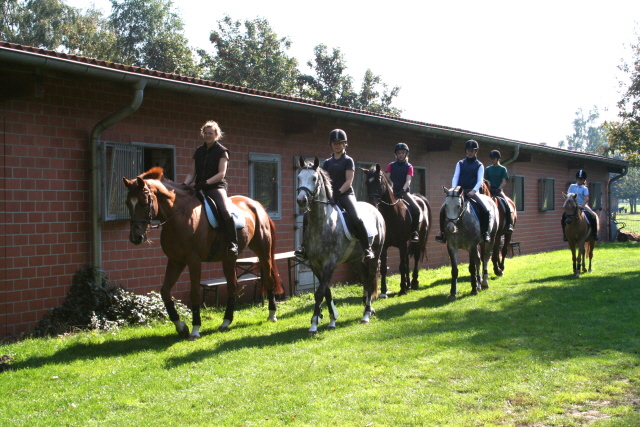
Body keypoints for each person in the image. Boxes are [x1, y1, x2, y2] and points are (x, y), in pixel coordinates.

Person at [294, 129, 375, 260]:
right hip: (330, 196)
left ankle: (367, 248)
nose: (337, 145)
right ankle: (304, 247)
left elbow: (349, 181)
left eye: (339, 143)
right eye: (334, 143)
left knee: (355, 217)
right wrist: (328, 194)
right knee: (306, 217)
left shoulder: (348, 161)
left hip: (345, 194)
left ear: (345, 144)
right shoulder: (327, 162)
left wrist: (337, 193)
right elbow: (323, 181)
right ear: (331, 144)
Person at [183, 120, 238, 257]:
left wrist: (206, 182)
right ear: (203, 134)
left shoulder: (222, 151)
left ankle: (233, 242)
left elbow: (221, 174)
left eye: (210, 133)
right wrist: (184, 185)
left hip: (215, 187)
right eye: (206, 133)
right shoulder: (198, 151)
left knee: (224, 210)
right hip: (198, 186)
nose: (208, 135)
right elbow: (192, 173)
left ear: (216, 134)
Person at [435, 139, 492, 243]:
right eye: (468, 150)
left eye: (472, 150)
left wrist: (474, 191)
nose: (470, 152)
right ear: (466, 151)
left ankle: (485, 233)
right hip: (459, 192)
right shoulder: (460, 163)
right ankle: (442, 234)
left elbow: (479, 181)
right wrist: (454, 190)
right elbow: (455, 177)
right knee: (443, 209)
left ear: (476, 152)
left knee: (485, 210)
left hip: (472, 192)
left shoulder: (479, 165)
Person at [385, 142, 421, 242]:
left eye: (403, 153)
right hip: (392, 192)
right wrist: (391, 187)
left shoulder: (409, 166)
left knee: (416, 209)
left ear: (406, 154)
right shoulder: (391, 165)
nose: (401, 155)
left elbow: (408, 180)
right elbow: (387, 178)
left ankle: (414, 232)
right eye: (399, 153)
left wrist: (402, 190)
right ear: (396, 154)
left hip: (403, 193)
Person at [562, 170, 599, 241]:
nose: (579, 180)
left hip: (583, 205)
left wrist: (582, 205)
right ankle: (565, 234)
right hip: (573, 206)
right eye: (578, 178)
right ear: (576, 179)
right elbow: (568, 195)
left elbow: (586, 198)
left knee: (593, 215)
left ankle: (595, 234)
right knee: (564, 216)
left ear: (584, 180)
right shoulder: (572, 186)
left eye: (581, 179)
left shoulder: (585, 188)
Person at [484, 150, 513, 233]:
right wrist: (488, 185)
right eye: (491, 159)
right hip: (489, 189)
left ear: (497, 159)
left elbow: (504, 181)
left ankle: (509, 224)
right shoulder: (488, 169)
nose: (492, 160)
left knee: (507, 205)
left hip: (498, 190)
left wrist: (498, 189)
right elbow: (486, 180)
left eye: (493, 158)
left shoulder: (503, 169)